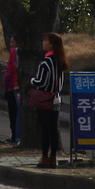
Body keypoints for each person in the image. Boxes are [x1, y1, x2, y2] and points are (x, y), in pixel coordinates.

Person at [31, 31, 68, 168]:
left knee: (45, 129)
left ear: (51, 45)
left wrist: (32, 80)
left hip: (44, 99)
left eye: (45, 41)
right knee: (53, 129)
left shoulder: (46, 62)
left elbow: (41, 82)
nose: (43, 42)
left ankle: (44, 157)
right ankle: (54, 157)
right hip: (56, 98)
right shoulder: (60, 61)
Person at [3, 35, 20, 145]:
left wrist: (8, 83)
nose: (10, 44)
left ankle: (16, 136)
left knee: (15, 113)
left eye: (13, 42)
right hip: (14, 86)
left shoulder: (14, 52)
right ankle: (15, 136)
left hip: (13, 87)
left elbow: (10, 71)